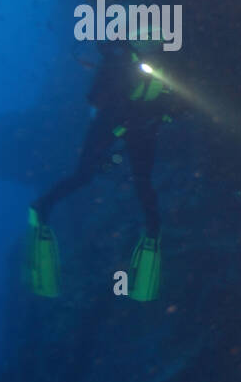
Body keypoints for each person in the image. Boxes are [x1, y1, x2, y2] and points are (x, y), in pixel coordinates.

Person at [26, 30, 173, 301]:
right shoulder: (117, 61)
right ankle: (41, 208)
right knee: (84, 176)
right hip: (110, 126)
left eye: (156, 38)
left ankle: (152, 233)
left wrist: (160, 113)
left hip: (142, 129)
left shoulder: (166, 63)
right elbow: (95, 99)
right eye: (146, 37)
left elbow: (177, 103)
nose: (152, 43)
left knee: (143, 182)